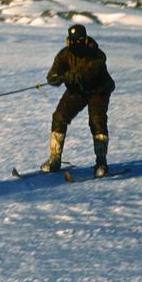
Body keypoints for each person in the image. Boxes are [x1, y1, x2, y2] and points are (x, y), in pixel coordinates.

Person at [41, 23, 116, 176]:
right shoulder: (64, 55)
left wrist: (70, 77)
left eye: (79, 40)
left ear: (85, 39)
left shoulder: (97, 55)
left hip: (98, 91)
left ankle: (101, 163)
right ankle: (55, 159)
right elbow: (53, 73)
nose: (76, 44)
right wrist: (54, 78)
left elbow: (88, 74)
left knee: (97, 121)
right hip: (76, 92)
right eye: (73, 40)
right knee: (59, 117)